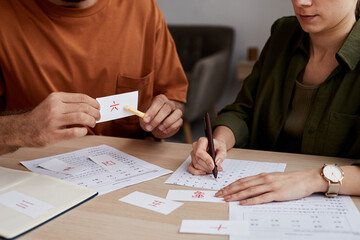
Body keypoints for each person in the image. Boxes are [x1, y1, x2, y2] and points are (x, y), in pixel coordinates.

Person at [189, 0, 360, 205]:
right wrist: (219, 142)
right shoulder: (283, 33)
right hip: (256, 196)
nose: (301, 2)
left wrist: (313, 180)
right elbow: (243, 110)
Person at [0, 0, 188, 155]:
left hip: (128, 166)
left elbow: (172, 95)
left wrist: (167, 114)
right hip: (29, 172)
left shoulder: (142, 7)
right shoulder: (6, 14)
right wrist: (22, 127)